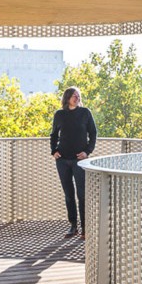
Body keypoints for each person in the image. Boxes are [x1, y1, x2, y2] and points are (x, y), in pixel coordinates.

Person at [50, 86, 97, 238]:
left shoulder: (85, 113)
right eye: (73, 95)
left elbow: (93, 133)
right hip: (62, 160)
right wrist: (54, 151)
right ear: (67, 98)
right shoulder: (59, 114)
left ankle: (85, 228)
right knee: (68, 194)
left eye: (78, 95)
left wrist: (87, 152)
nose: (76, 97)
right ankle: (73, 226)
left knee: (82, 194)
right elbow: (53, 135)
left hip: (79, 160)